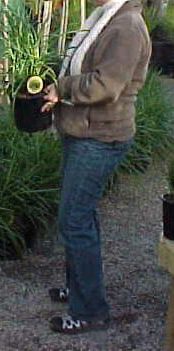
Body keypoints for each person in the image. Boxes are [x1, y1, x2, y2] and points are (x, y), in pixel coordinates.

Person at [41, 0, 151, 334]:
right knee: (81, 216)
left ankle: (90, 310)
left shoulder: (126, 27)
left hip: (100, 138)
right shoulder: (107, 19)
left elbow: (106, 85)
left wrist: (62, 89)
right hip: (83, 133)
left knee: (73, 221)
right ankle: (81, 290)